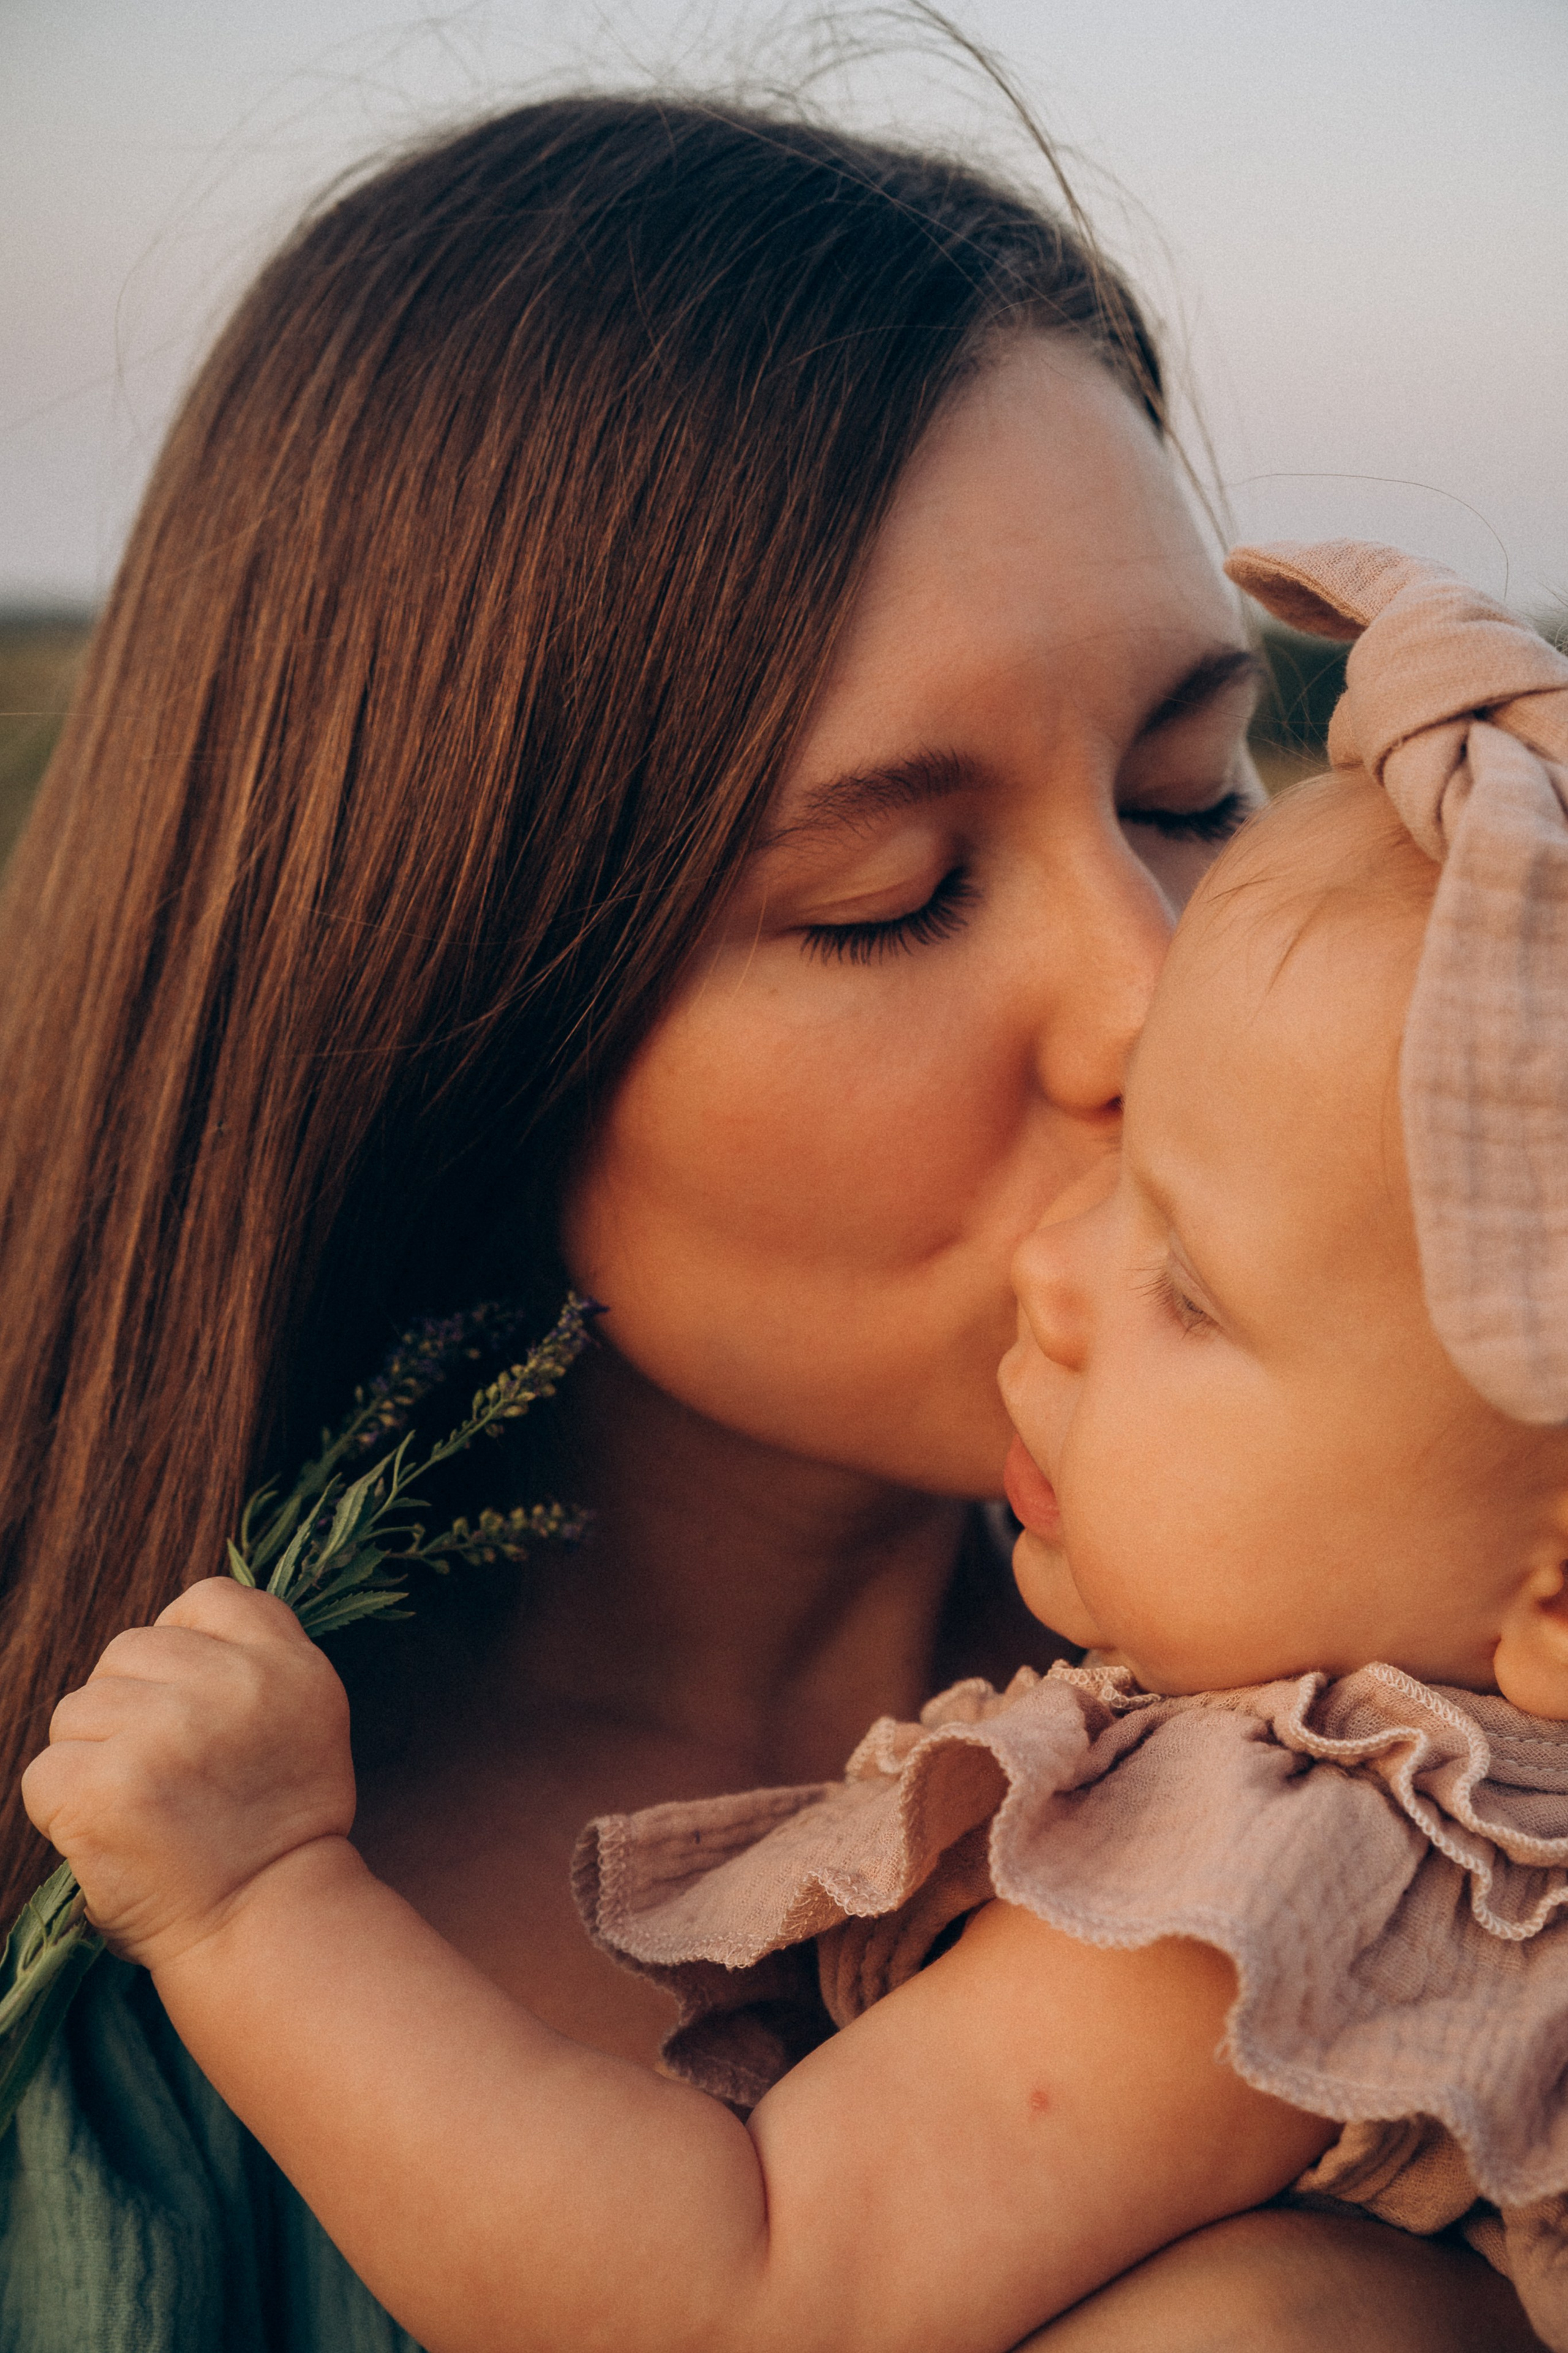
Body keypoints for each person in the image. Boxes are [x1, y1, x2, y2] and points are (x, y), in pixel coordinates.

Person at [0, 94, 1529, 2348]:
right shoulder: (112, 1960)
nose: (1155, 996)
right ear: (434, 999)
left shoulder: (1427, 1728)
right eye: (888, 900)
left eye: (1198, 792)